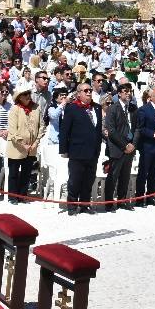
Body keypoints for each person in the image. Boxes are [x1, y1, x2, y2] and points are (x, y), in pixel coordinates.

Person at [60, 82, 101, 215]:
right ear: (78, 94)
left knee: (89, 180)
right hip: (77, 151)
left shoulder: (97, 108)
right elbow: (65, 130)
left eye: (90, 90)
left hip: (93, 151)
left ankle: (84, 204)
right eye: (85, 90)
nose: (88, 92)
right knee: (75, 180)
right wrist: (64, 150)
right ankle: (72, 206)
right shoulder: (72, 108)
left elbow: (98, 130)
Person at [102, 83, 137, 210]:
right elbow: (111, 130)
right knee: (113, 176)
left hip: (130, 147)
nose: (128, 93)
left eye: (130, 91)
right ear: (119, 93)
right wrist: (124, 145)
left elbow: (137, 128)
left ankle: (122, 201)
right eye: (125, 91)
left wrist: (133, 144)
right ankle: (109, 203)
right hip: (117, 147)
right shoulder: (113, 108)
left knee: (125, 176)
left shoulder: (133, 108)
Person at [5, 82, 41, 203]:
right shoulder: (14, 109)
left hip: (31, 147)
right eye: (25, 94)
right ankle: (12, 196)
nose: (28, 96)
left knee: (26, 173)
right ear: (19, 96)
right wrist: (23, 143)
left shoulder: (36, 107)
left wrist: (36, 142)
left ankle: (22, 195)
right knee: (14, 173)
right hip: (16, 146)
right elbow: (12, 130)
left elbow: (42, 126)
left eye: (29, 93)